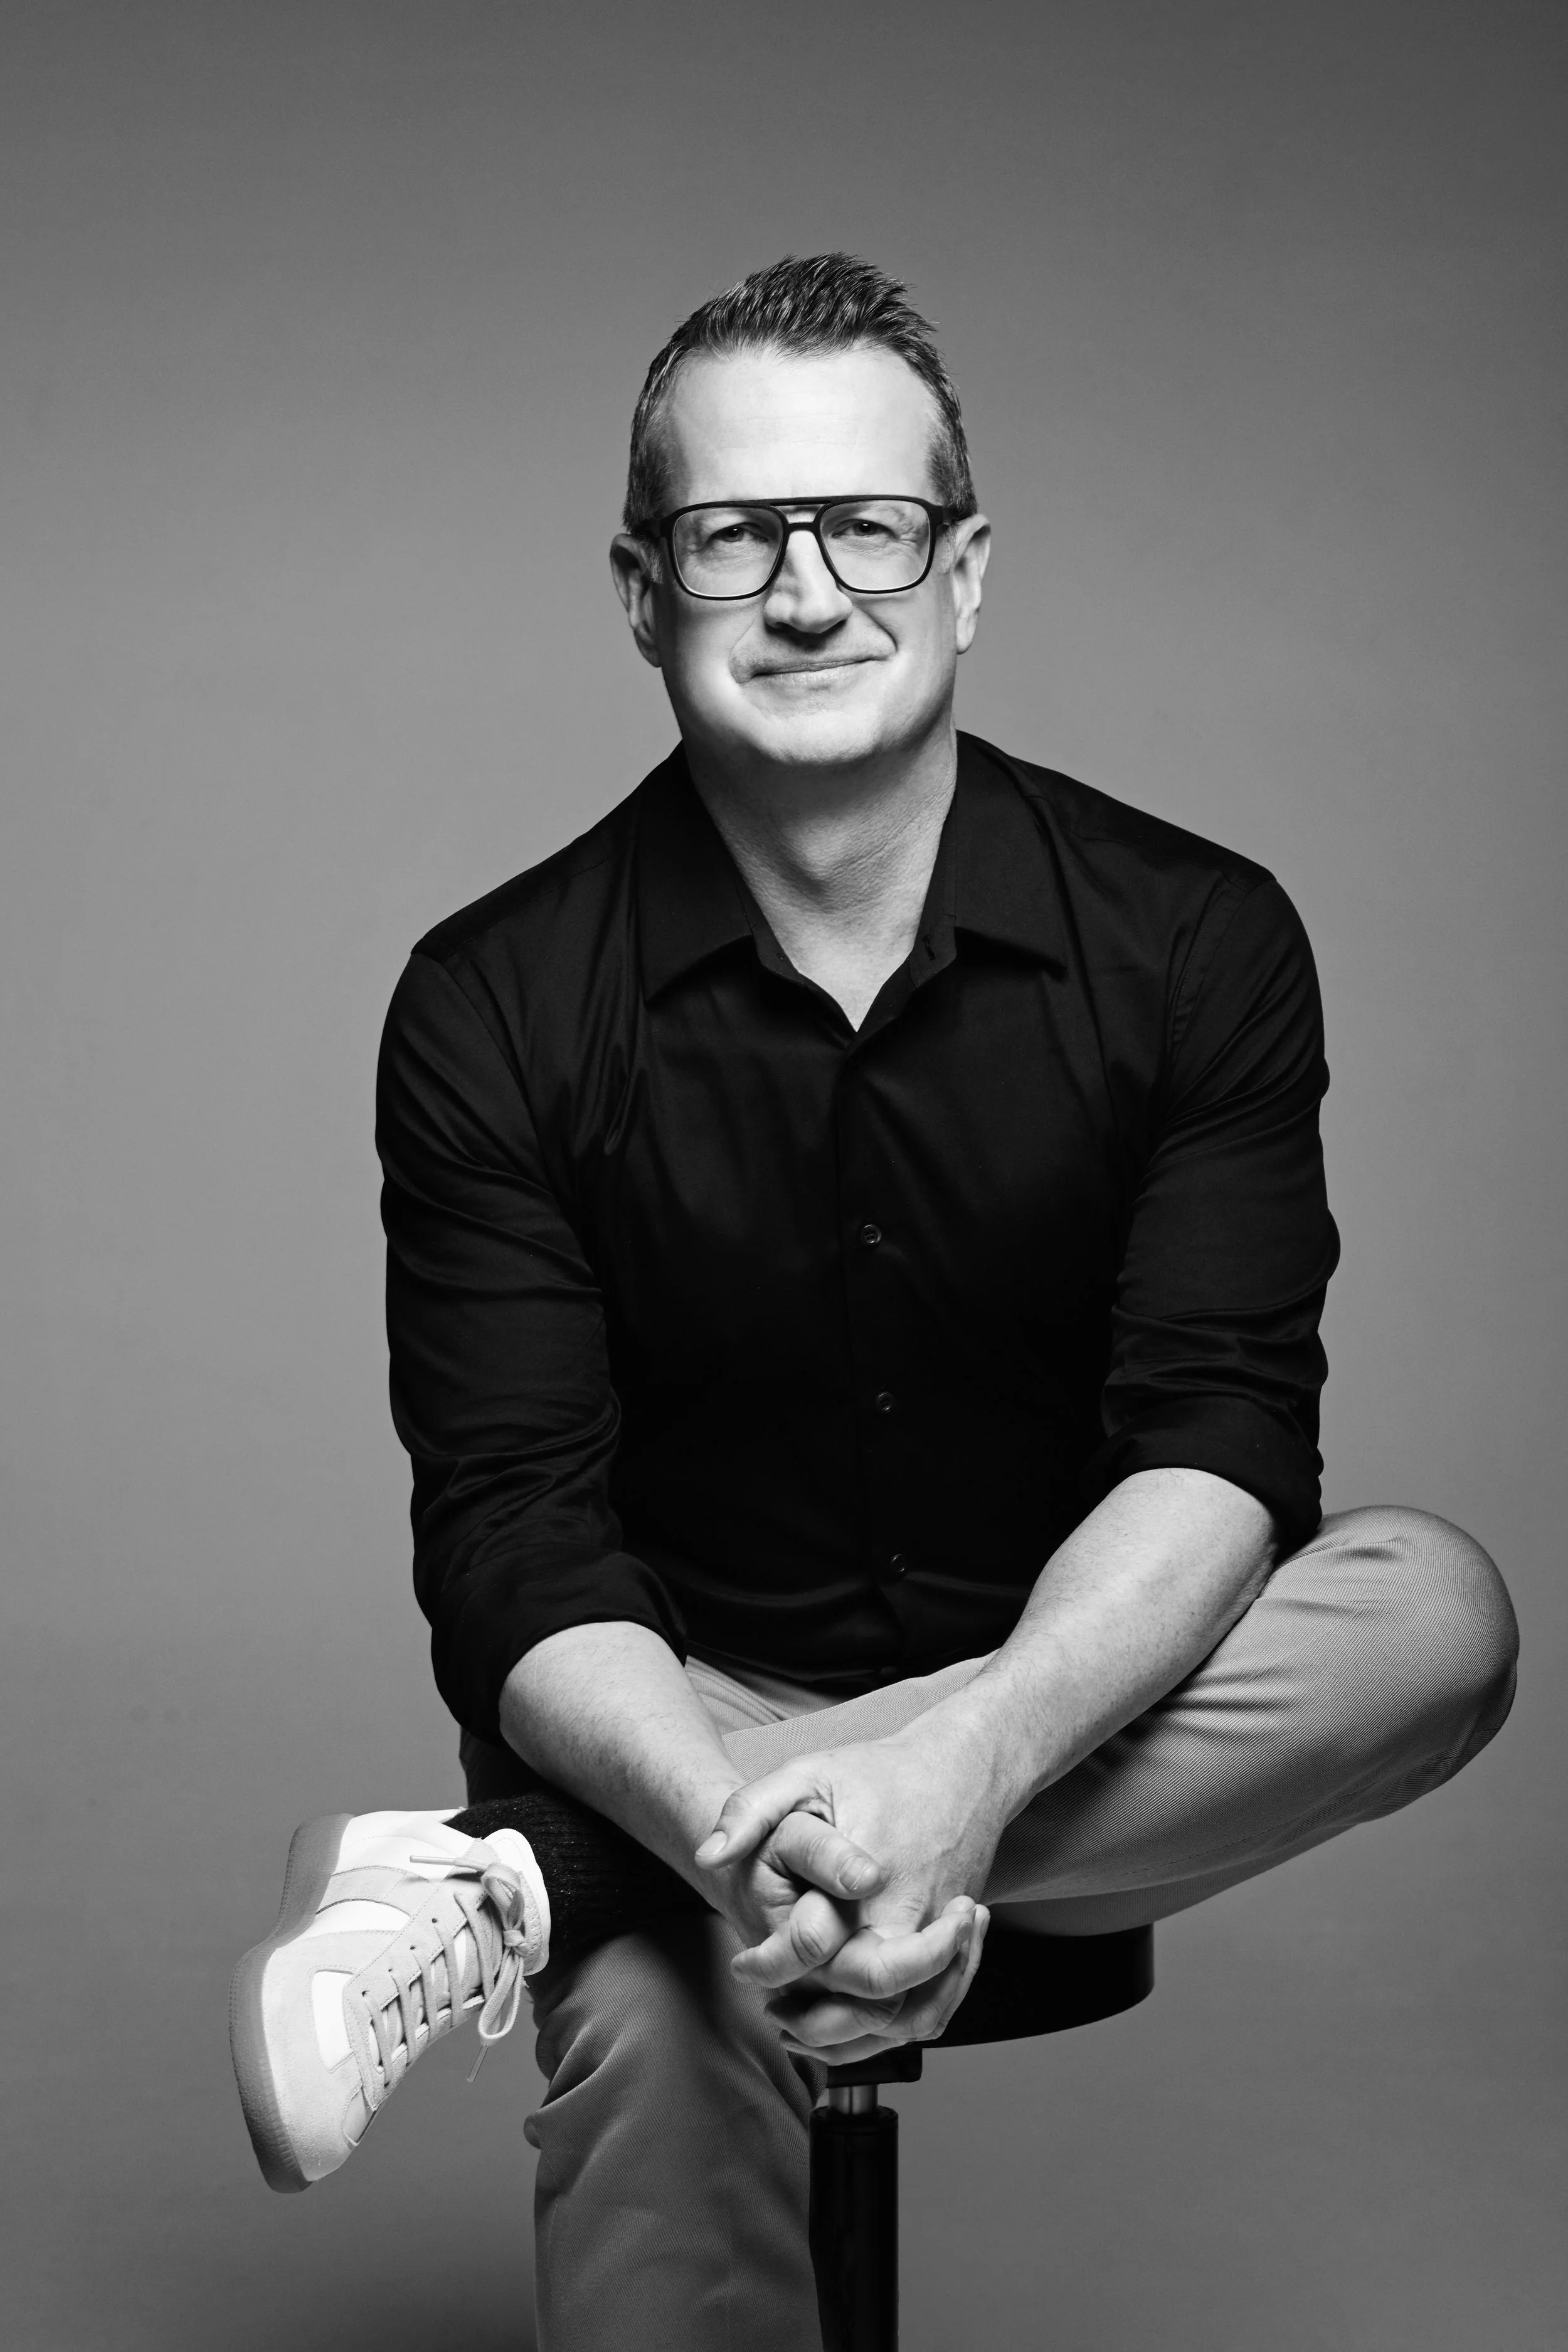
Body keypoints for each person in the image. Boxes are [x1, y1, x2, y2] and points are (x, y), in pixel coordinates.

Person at [230, 253, 1518, 2349]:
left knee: (1431, 1614)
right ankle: (612, 1865)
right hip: (673, 1722)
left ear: (967, 572)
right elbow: (516, 1543)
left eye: (870, 527)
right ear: (642, 590)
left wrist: (965, 1770)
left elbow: (1216, 1441)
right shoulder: (491, 1001)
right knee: (657, 2037)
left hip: (1094, 1706)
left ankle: (510, 1875)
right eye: (736, 535)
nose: (809, 591)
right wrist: (736, 1826)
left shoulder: (1197, 940)